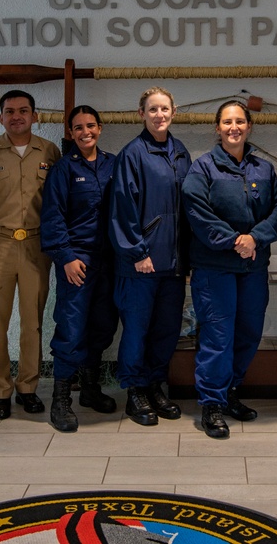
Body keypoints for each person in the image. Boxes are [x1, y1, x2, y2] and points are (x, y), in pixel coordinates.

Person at [181, 100, 277, 439]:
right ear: (217, 128)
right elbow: (197, 212)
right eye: (227, 122)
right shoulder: (203, 168)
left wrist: (254, 238)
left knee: (248, 333)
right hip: (215, 268)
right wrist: (233, 241)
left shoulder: (264, 170)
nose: (234, 127)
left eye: (240, 121)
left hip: (253, 267)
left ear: (249, 126)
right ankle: (211, 404)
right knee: (217, 336)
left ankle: (229, 392)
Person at [0, 90, 61, 421]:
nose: (17, 116)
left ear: (35, 116)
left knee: (32, 321)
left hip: (37, 246)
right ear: (1, 118)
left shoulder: (49, 152)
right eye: (10, 112)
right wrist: (1, 224)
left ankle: (28, 387)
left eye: (24, 111)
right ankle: (0, 390)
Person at [109, 86, 191, 427]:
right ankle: (135, 392)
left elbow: (189, 209)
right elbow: (122, 210)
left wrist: (187, 259)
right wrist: (138, 253)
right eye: (152, 110)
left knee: (166, 330)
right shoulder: (132, 154)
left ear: (174, 113)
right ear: (141, 114)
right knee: (137, 331)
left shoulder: (181, 152)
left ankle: (157, 386)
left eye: (165, 109)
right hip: (142, 263)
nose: (159, 115)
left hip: (173, 265)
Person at [40, 106, 120, 432]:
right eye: (78, 128)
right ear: (71, 133)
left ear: (100, 128)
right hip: (78, 261)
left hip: (110, 261)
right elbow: (53, 216)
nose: (85, 132)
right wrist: (66, 257)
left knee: (102, 326)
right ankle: (61, 400)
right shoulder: (63, 170)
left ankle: (90, 389)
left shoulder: (114, 164)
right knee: (72, 328)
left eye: (90, 125)